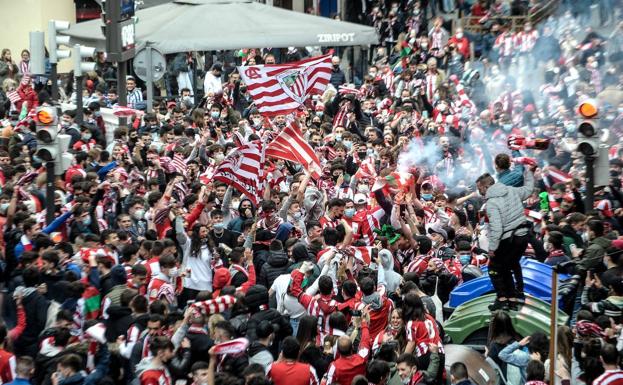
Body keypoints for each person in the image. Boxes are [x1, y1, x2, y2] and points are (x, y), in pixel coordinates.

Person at [476, 167, 534, 311]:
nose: (480, 192)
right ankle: (512, 299)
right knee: (506, 266)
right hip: (524, 235)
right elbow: (528, 190)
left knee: (493, 267)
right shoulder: (512, 190)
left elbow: (497, 228)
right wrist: (529, 173)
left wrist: (492, 249)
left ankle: (502, 300)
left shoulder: (491, 203)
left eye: (480, 188)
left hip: (510, 238)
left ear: (486, 186)